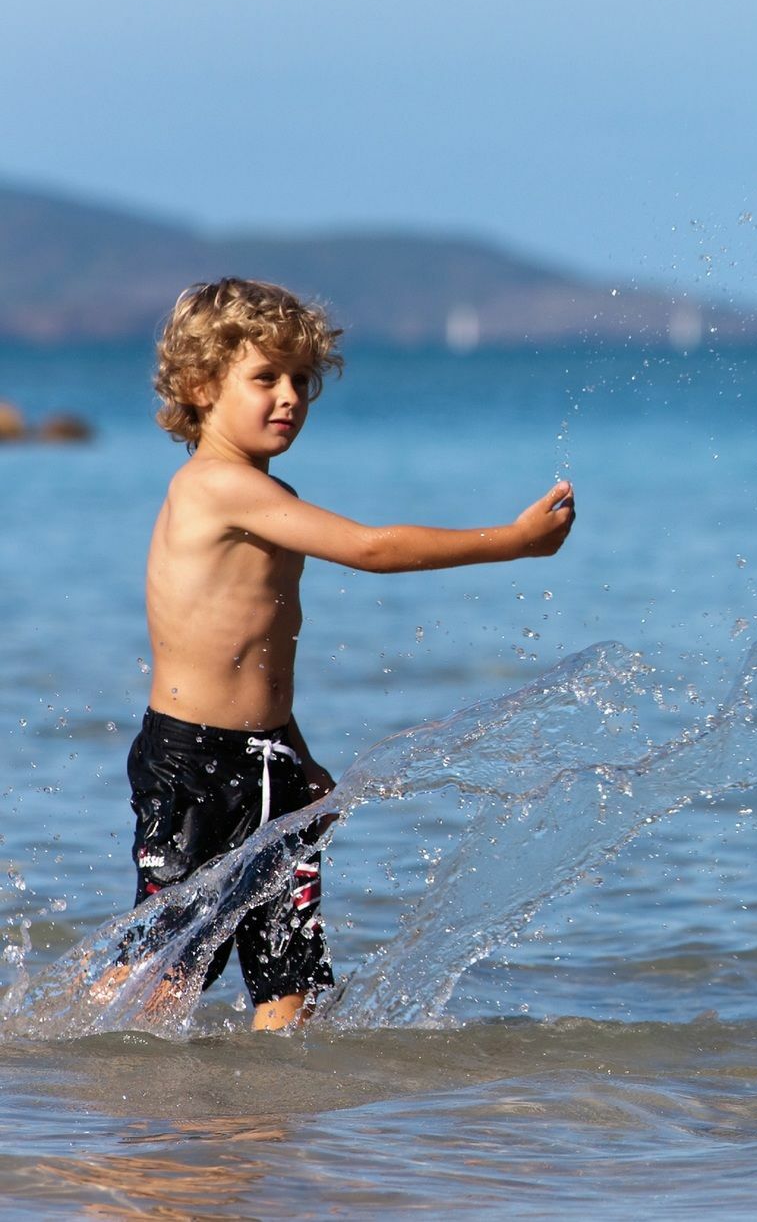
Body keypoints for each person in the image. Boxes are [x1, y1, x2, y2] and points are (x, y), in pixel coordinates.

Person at [129, 277, 576, 1030]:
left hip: (269, 760)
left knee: (291, 982)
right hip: (193, 765)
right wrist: (514, 543)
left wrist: (295, 753)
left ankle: (264, 1134)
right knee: (168, 971)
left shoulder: (271, 495)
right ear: (202, 386)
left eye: (300, 380)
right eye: (265, 377)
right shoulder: (214, 487)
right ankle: (131, 1132)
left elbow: (256, 654)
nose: (289, 397)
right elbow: (371, 547)